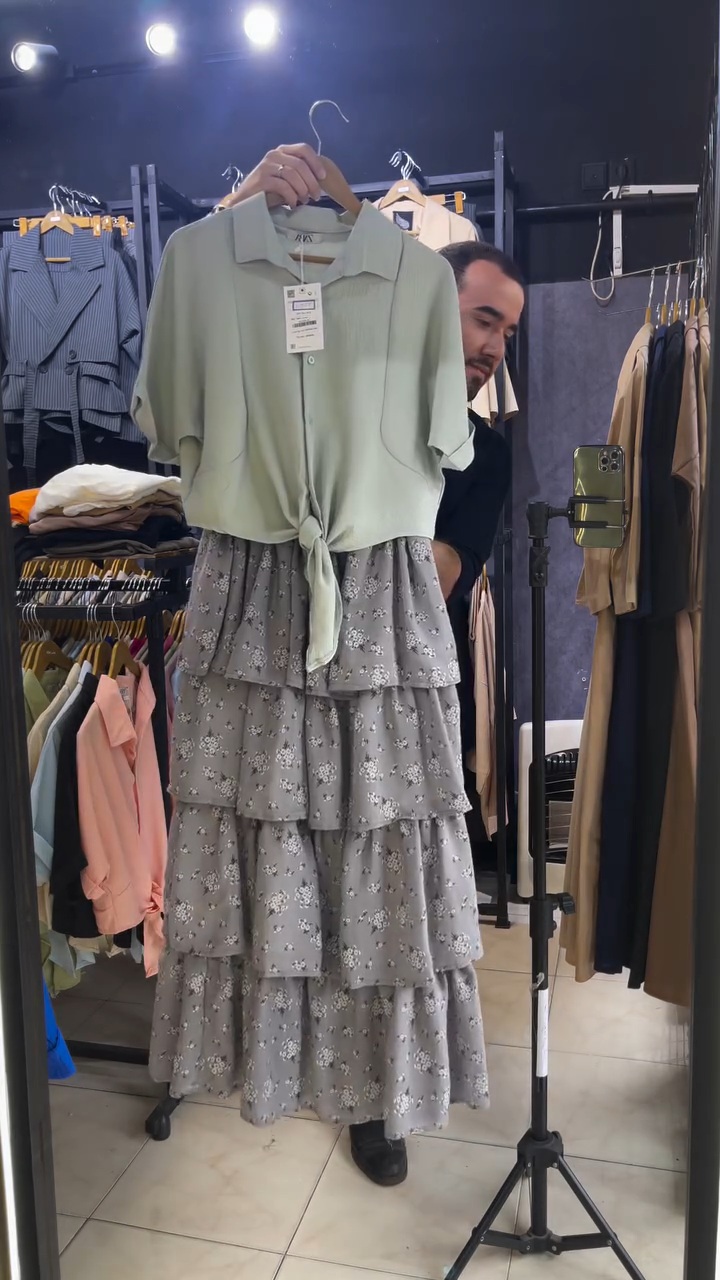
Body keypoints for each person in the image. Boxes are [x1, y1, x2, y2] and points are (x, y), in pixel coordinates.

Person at [151, 147, 525, 1190]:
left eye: (505, 332)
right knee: (261, 836)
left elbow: (442, 543)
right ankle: (259, 1057)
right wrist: (230, 220)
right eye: (486, 321)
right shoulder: (201, 265)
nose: (492, 345)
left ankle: (373, 1096)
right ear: (455, 306)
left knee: (377, 848)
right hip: (250, 584)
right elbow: (173, 419)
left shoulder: (416, 303)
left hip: (379, 607)